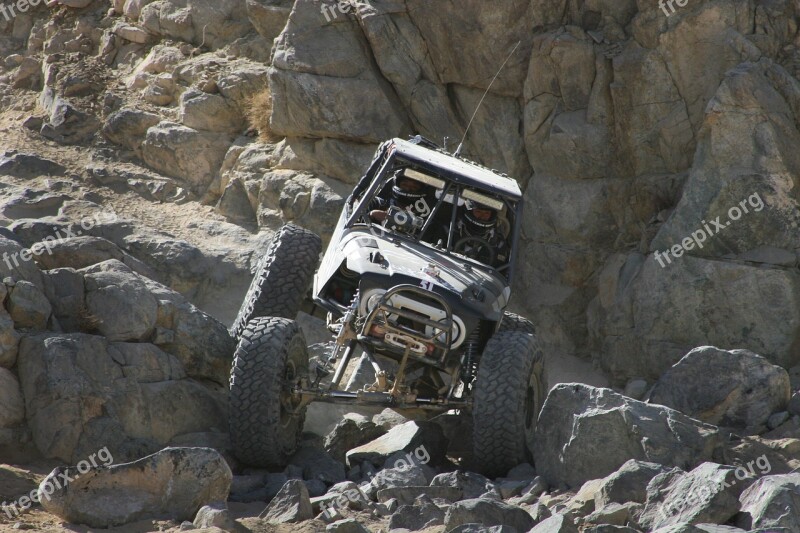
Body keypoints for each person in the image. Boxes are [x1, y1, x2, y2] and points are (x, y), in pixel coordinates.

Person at [454, 200, 509, 266]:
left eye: (487, 213)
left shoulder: (498, 243)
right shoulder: (451, 231)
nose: (482, 216)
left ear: (492, 215)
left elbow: (499, 271)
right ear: (470, 212)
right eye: (478, 211)